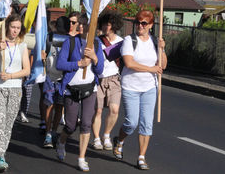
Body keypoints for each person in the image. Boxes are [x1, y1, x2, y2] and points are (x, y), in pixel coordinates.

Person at [113, 10, 167, 170]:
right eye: (138, 22)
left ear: (150, 25)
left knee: (146, 123)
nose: (140, 26)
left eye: (144, 23)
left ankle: (141, 157)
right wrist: (151, 69)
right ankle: (120, 140)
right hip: (131, 86)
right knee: (132, 121)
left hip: (150, 87)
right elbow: (129, 63)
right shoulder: (129, 40)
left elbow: (162, 66)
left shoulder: (155, 41)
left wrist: (162, 49)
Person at [55, 18, 104, 172]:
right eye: (79, 24)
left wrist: (95, 58)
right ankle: (61, 142)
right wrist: (78, 64)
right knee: (70, 125)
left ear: (92, 27)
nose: (81, 26)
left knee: (86, 124)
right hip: (72, 89)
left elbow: (100, 69)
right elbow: (60, 64)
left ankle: (81, 158)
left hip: (90, 89)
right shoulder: (70, 42)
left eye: (84, 24)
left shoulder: (96, 43)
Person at [0, 13, 30, 171]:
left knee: (8, 124)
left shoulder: (22, 45)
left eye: (18, 28)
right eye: (13, 27)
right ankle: (0, 155)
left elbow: (26, 70)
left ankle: (2, 150)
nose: (15, 31)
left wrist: (10, 75)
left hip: (15, 88)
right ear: (7, 27)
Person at [92, 11, 124, 151]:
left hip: (114, 79)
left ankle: (106, 135)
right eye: (104, 24)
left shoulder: (121, 42)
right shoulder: (97, 41)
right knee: (98, 110)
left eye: (109, 24)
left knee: (114, 109)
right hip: (98, 78)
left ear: (114, 26)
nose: (106, 27)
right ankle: (96, 138)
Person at [42, 16, 70, 148]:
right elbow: (42, 53)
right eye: (60, 30)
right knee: (49, 105)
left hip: (63, 79)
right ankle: (48, 132)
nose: (61, 33)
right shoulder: (49, 38)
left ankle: (54, 131)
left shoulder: (70, 40)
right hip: (50, 77)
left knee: (59, 106)